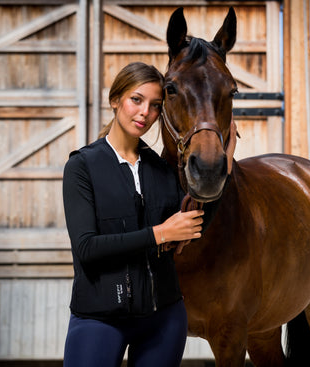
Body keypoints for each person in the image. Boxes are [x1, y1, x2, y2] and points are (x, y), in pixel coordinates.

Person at [62, 62, 209, 367]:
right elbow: (87, 249)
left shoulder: (161, 169)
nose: (145, 113)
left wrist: (226, 155)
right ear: (115, 100)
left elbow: (196, 221)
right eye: (136, 100)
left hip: (164, 319)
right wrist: (161, 234)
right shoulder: (82, 167)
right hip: (99, 318)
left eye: (155, 106)